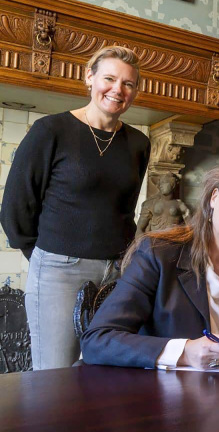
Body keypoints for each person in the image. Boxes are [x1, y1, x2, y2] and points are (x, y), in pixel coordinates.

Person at [0, 46, 150, 370]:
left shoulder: (139, 143)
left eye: (128, 84)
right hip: (60, 268)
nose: (118, 90)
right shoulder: (50, 131)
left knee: (109, 374)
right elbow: (15, 206)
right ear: (89, 78)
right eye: (109, 78)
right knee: (54, 375)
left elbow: (125, 210)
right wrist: (46, 255)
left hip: (119, 272)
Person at [81, 162, 219, 370]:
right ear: (214, 198)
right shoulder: (158, 252)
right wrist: (184, 352)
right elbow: (98, 340)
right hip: (164, 393)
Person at [136, 172, 191, 236]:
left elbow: (190, 227)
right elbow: (139, 228)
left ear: (173, 185)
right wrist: (141, 244)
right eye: (160, 183)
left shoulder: (180, 205)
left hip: (173, 241)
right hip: (154, 240)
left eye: (164, 182)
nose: (161, 185)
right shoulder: (150, 203)